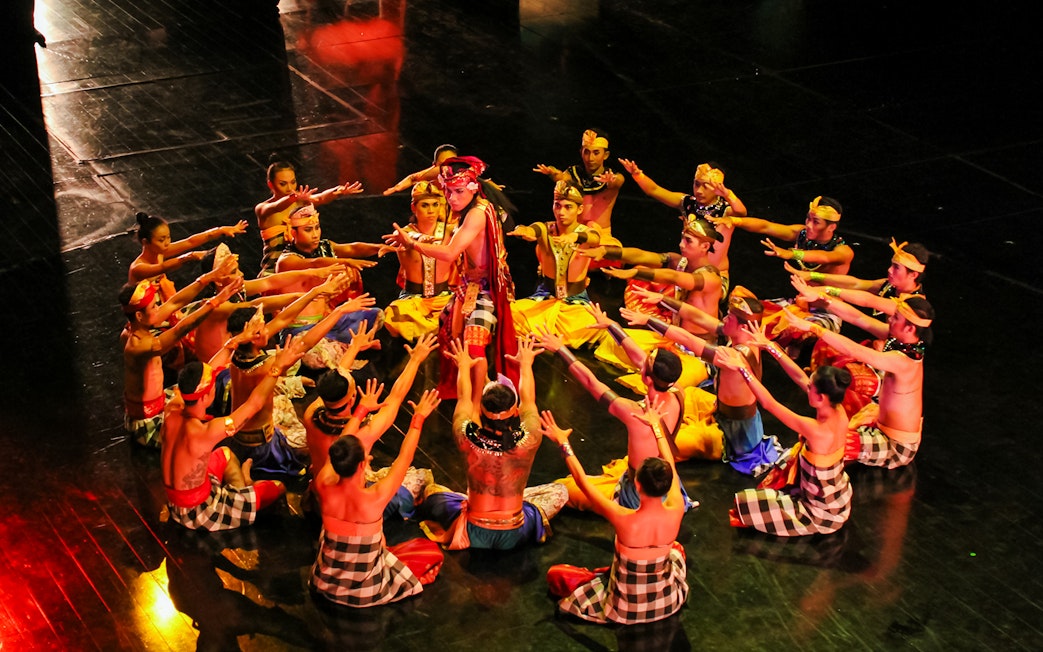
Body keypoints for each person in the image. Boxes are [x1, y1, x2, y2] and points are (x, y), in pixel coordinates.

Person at [541, 408, 688, 625]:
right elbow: (671, 464)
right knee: (676, 550)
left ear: (637, 485)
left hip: (624, 610)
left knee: (557, 576)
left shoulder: (623, 517)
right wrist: (656, 425)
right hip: (667, 604)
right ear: (668, 485)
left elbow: (582, 482)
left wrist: (563, 442)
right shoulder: (676, 507)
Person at [535, 318, 700, 510]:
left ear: (646, 377)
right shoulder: (678, 391)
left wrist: (560, 349)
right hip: (665, 484)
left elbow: (591, 382)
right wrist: (611, 326)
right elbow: (640, 359)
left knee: (566, 488)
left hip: (639, 494)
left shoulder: (634, 413)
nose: (641, 360)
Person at [419, 337, 568, 550]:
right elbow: (529, 402)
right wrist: (525, 365)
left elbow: (463, 399)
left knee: (433, 491)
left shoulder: (466, 435)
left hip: (473, 532)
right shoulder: (530, 438)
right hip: (516, 533)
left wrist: (463, 365)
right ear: (515, 411)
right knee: (560, 491)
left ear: (480, 411)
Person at [389, 156, 517, 402]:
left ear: (473, 187)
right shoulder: (473, 208)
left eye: (458, 191)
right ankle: (475, 385)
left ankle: (477, 400)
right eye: (447, 191)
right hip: (470, 286)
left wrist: (412, 243)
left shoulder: (477, 214)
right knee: (447, 324)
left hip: (486, 289)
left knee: (474, 342)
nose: (452, 198)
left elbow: (449, 252)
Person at [620, 286, 782, 473]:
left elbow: (689, 340)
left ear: (743, 326)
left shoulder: (735, 355)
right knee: (686, 393)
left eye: (729, 317)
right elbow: (699, 317)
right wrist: (662, 299)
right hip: (722, 412)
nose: (724, 319)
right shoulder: (746, 338)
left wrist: (649, 320)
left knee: (662, 444)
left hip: (733, 437)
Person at [310, 389, 444, 607]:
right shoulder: (375, 497)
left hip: (325, 583)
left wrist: (361, 411)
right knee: (429, 552)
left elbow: (343, 442)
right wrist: (418, 418)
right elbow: (405, 456)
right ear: (363, 464)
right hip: (366, 591)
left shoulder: (323, 481)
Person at [162, 336, 308, 530]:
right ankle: (245, 493)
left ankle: (242, 489)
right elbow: (253, 405)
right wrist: (277, 368)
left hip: (177, 499)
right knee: (278, 487)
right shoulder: (206, 431)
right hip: (197, 512)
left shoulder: (173, 407)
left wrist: (232, 344)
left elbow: (210, 368)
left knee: (226, 454)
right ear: (206, 395)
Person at [224, 291, 377, 476]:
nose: (268, 330)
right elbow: (306, 343)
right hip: (261, 445)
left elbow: (282, 320)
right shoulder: (267, 366)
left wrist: (316, 294)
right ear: (254, 336)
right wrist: (339, 313)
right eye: (264, 328)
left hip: (240, 433)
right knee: (313, 443)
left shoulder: (234, 355)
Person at [781, 293, 933, 469]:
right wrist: (823, 297)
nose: (890, 319)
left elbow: (854, 351)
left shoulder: (904, 361)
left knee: (822, 441)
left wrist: (815, 328)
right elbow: (858, 317)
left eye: (896, 317)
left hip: (895, 446)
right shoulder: (900, 340)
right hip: (879, 419)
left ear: (909, 329)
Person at [715, 347, 853, 536]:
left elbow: (769, 404)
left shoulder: (816, 430)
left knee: (745, 503)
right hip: (838, 499)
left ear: (820, 397)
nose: (807, 386)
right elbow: (799, 378)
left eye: (811, 387)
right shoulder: (839, 411)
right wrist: (769, 346)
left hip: (820, 512)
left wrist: (742, 369)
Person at [583, 215, 724, 391]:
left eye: (688, 241)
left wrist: (634, 273)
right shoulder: (679, 261)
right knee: (612, 342)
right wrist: (606, 252)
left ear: (705, 246)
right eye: (682, 238)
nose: (681, 244)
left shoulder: (710, 278)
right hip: (673, 340)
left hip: (698, 354)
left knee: (665, 382)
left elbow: (675, 277)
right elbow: (643, 255)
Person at [302, 333, 439, 513]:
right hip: (351, 505)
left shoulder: (311, 413)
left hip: (321, 494)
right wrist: (414, 360)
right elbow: (396, 397)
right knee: (420, 479)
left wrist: (354, 348)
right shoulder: (363, 434)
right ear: (352, 399)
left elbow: (338, 375)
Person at [119, 265, 243, 448]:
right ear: (139, 315)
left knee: (201, 379)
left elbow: (174, 303)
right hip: (149, 424)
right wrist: (216, 301)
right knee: (205, 435)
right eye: (154, 306)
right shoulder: (140, 346)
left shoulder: (140, 328)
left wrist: (208, 277)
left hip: (160, 402)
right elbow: (180, 330)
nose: (159, 308)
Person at [712, 195, 854, 353]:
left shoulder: (843, 252)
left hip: (825, 314)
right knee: (745, 311)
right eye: (808, 219)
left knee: (800, 332)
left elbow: (824, 256)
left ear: (831, 227)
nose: (808, 225)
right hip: (795, 304)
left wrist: (791, 253)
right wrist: (734, 221)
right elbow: (766, 226)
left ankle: (792, 348)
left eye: (816, 222)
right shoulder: (802, 234)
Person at [617, 159, 746, 292]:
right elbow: (654, 190)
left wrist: (728, 195)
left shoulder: (725, 211)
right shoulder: (688, 203)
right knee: (643, 271)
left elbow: (741, 213)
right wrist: (637, 175)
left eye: (706, 186)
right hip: (686, 268)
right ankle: (607, 254)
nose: (699, 191)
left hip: (713, 278)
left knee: (687, 298)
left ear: (718, 187)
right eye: (696, 184)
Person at [508, 180, 606, 348]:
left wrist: (575, 237)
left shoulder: (586, 232)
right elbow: (534, 229)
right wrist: (524, 230)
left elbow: (595, 238)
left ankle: (544, 336)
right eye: (557, 205)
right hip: (544, 298)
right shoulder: (546, 229)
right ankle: (549, 336)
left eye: (568, 207)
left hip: (575, 304)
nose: (561, 212)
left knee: (593, 324)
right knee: (510, 313)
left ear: (579, 209)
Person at [275, 204, 390, 342]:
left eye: (317, 228)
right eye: (308, 230)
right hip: (299, 329)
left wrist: (379, 247)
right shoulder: (287, 260)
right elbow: (314, 263)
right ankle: (339, 344)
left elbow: (352, 248)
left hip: (327, 320)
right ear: (293, 233)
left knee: (376, 315)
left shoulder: (324, 246)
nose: (315, 234)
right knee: (317, 350)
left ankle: (340, 341)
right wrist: (346, 262)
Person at [255, 159, 363, 276]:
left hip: (301, 269)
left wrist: (338, 190)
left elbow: (320, 198)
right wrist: (294, 197)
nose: (289, 188)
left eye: (293, 182)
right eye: (283, 184)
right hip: (273, 273)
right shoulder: (263, 208)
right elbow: (277, 206)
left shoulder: (299, 202)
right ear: (270, 184)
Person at [382, 182, 455, 341]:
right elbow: (408, 237)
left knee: (466, 312)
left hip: (444, 298)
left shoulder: (450, 231)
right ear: (414, 208)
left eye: (435, 204)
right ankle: (438, 328)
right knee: (392, 316)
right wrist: (419, 239)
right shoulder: (403, 233)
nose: (431, 210)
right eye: (425, 205)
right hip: (414, 300)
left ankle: (435, 327)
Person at [128, 211, 248, 297]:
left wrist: (221, 230)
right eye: (161, 240)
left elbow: (190, 241)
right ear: (145, 242)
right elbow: (162, 267)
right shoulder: (137, 268)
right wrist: (189, 256)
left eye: (168, 237)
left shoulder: (160, 252)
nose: (167, 243)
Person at [533, 128, 625, 238]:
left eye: (596, 153)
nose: (590, 158)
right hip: (576, 234)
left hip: (601, 235)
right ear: (581, 152)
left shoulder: (613, 176)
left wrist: (611, 180)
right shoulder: (574, 174)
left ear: (606, 155)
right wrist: (552, 173)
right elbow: (561, 176)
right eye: (586, 152)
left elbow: (617, 181)